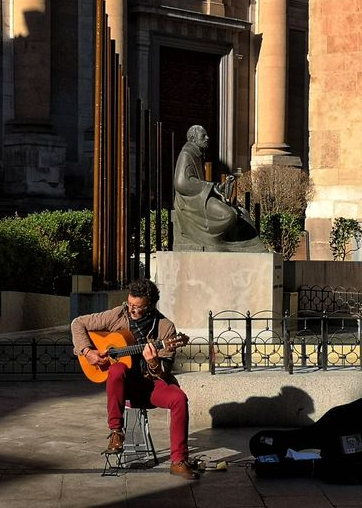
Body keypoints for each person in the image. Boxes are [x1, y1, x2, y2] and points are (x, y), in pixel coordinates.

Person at [71, 278, 199, 480]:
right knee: (116, 369)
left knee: (179, 399)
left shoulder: (166, 328)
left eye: (137, 307)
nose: (132, 310)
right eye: (130, 304)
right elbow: (78, 323)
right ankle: (116, 432)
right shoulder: (117, 315)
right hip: (122, 386)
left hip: (150, 384)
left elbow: (163, 372)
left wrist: (154, 363)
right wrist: (87, 352)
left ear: (150, 305)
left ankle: (179, 461)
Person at [173, 125, 265, 251]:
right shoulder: (186, 154)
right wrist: (209, 186)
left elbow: (198, 182)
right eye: (203, 136)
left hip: (199, 198)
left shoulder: (197, 154)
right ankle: (216, 241)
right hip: (190, 203)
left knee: (243, 213)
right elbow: (181, 183)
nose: (207, 138)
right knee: (228, 215)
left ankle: (249, 246)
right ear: (193, 139)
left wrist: (219, 187)